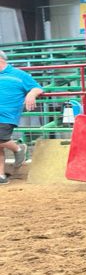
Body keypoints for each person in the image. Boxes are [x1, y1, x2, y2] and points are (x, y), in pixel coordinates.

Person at [0, 50, 42, 185]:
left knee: (0, 139)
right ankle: (1, 175)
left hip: (7, 114)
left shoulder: (19, 74)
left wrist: (31, 94)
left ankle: (18, 149)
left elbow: (37, 88)